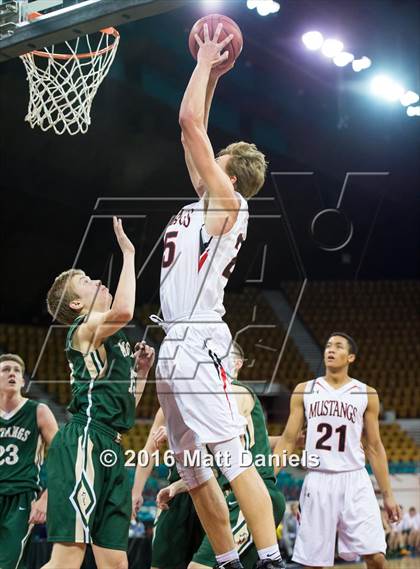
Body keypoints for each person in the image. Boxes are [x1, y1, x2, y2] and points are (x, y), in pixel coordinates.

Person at [154, 23, 283, 569]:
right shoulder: (211, 197)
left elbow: (187, 124)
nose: (205, 159)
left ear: (227, 173)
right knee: (194, 471)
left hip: (200, 340)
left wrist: (206, 59)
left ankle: (272, 558)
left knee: (233, 460)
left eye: (215, 158)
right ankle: (227, 561)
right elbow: (195, 129)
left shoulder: (225, 202)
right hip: (173, 343)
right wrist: (214, 77)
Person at [41, 218, 155, 569]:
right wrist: (129, 254)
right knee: (66, 560)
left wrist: (141, 373)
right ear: (76, 305)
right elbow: (123, 310)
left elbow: (126, 406)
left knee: (116, 564)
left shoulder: (115, 341)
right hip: (85, 440)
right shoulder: (82, 329)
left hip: (113, 444)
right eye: (87, 282)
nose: (98, 281)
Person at [134, 343, 285, 569]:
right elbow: (150, 451)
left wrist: (181, 430)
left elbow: (218, 427)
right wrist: (137, 491)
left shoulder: (237, 391)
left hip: (235, 494)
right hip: (190, 489)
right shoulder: (178, 401)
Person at [274, 332, 401, 569]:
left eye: (338, 346)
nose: (330, 349)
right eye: (328, 345)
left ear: (350, 357)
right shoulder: (305, 390)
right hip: (318, 480)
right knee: (312, 564)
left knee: (376, 556)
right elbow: (289, 440)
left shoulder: (366, 393)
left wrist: (389, 495)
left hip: (355, 479)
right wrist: (268, 475)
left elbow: (374, 447)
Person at [0, 352, 58, 569]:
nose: (12, 373)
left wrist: (45, 498)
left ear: (23, 381)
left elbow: (63, 457)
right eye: (6, 369)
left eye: (17, 371)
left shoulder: (39, 411)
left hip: (21, 497)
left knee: (9, 563)